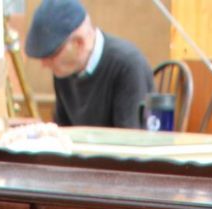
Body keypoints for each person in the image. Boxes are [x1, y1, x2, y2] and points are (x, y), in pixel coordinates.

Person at [24, 0, 155, 131]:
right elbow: (64, 132)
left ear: (79, 43)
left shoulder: (127, 66)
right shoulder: (64, 70)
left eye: (52, 55)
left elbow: (130, 141)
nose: (44, 64)